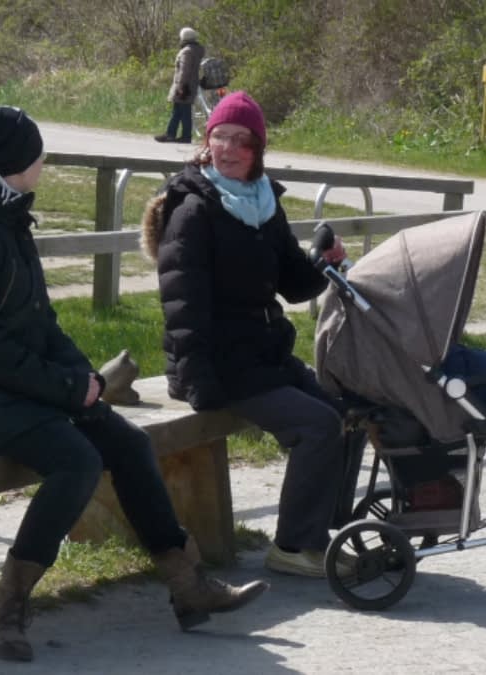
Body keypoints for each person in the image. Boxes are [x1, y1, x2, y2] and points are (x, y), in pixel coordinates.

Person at [0, 105, 267, 662]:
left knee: (124, 441)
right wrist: (61, 388)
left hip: (4, 384)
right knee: (75, 458)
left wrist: (83, 378)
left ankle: (186, 582)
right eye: (36, 153)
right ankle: (4, 604)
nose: (44, 161)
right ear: (12, 163)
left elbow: (39, 325)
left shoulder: (3, 219)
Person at [142, 92, 361, 579]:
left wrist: (323, 263)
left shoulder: (262, 203)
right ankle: (292, 546)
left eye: (243, 141)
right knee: (317, 426)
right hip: (217, 365)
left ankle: (319, 536)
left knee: (346, 413)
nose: (230, 149)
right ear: (206, 141)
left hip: (262, 356)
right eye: (221, 137)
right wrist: (198, 381)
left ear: (258, 150)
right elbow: (182, 306)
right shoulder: (193, 210)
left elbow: (292, 284)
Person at [154, 26, 204, 143]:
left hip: (184, 86)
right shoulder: (197, 50)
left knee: (181, 111)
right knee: (181, 110)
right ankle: (178, 135)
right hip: (191, 85)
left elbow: (184, 70)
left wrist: (181, 86)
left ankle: (176, 135)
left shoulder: (187, 51)